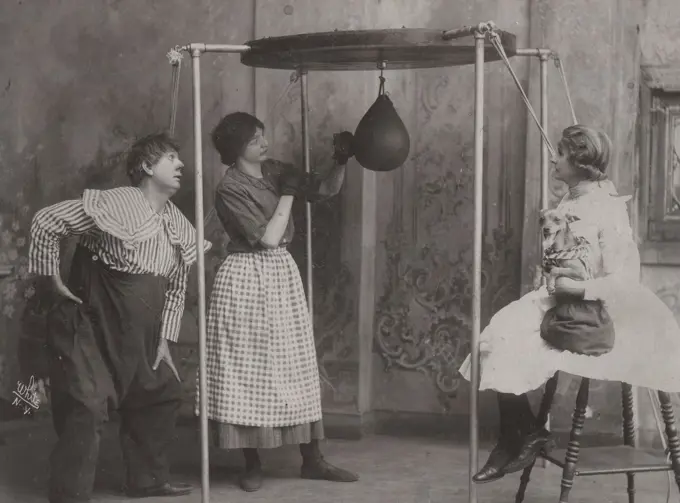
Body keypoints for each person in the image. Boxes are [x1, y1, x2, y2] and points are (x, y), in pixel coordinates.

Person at [459, 125, 680, 483]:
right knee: (494, 337)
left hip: (599, 308)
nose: (553, 158)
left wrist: (578, 288)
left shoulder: (608, 209)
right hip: (560, 297)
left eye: (560, 153)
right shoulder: (570, 200)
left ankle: (516, 437)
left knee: (507, 339)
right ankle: (521, 432)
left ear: (579, 160)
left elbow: (624, 279)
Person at [29, 133, 211, 502]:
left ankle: (147, 480)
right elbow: (46, 221)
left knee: (160, 391)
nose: (181, 165)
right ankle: (69, 494)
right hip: (87, 326)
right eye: (171, 158)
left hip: (137, 335)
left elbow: (176, 289)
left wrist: (163, 341)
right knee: (88, 405)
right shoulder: (114, 205)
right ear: (146, 166)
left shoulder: (176, 225)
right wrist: (51, 281)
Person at [199, 112, 358, 492]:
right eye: (255, 140)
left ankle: (313, 459)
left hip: (280, 273)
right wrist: (288, 191)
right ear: (237, 149)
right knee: (248, 370)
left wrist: (340, 160)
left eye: (263, 135)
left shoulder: (273, 169)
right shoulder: (229, 188)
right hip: (245, 276)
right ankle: (251, 463)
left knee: (296, 364)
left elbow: (323, 189)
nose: (264, 143)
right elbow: (267, 238)